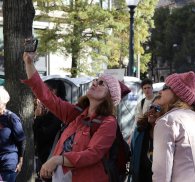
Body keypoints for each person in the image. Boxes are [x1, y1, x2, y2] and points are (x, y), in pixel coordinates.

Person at [22, 51, 123, 182]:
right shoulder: (76, 113)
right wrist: (29, 63)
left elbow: (92, 154)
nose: (94, 83)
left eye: (101, 83)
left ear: (109, 97)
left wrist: (58, 159)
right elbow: (46, 96)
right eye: (96, 80)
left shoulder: (109, 122)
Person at [33, 79, 67, 181]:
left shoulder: (60, 108)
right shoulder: (48, 107)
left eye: (46, 90)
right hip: (45, 154)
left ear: (54, 91)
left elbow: (46, 133)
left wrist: (39, 118)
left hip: (53, 156)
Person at [129, 95, 163, 182]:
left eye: (157, 108)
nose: (152, 110)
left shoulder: (170, 134)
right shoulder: (139, 131)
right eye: (151, 107)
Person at [0, 86, 26, 182]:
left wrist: (20, 161)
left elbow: (21, 140)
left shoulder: (12, 118)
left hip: (8, 161)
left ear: (3, 103)